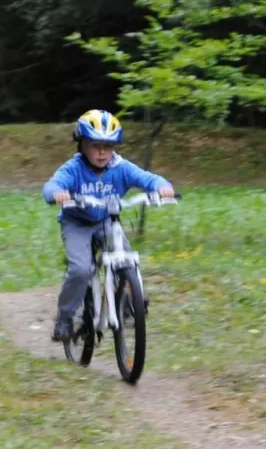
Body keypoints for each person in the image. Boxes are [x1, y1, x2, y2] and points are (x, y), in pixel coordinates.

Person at [41, 109, 175, 342]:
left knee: (125, 257)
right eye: (95, 145)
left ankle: (128, 297)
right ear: (81, 144)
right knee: (81, 270)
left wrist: (161, 187)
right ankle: (65, 318)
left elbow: (148, 178)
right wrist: (58, 194)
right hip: (77, 223)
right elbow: (52, 185)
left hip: (105, 220)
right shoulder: (73, 169)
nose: (102, 152)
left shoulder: (120, 167)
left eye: (108, 146)